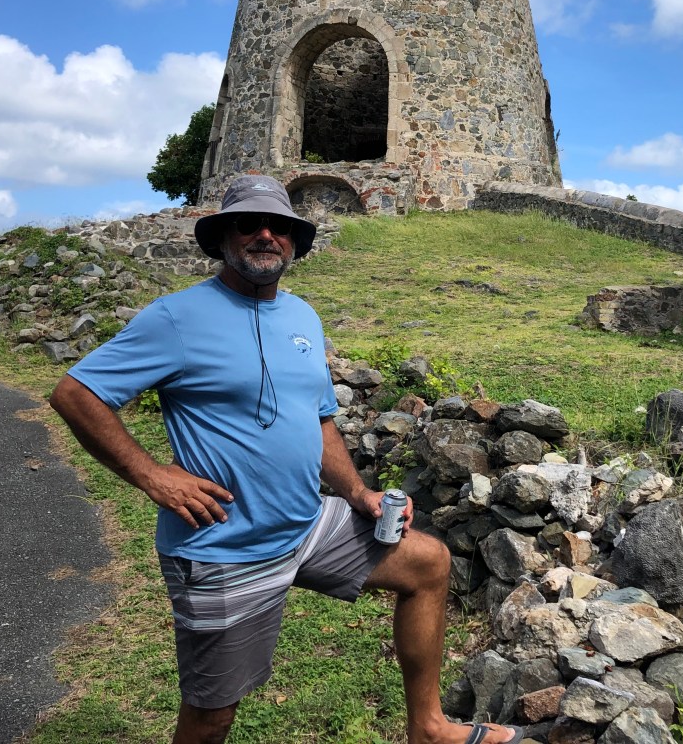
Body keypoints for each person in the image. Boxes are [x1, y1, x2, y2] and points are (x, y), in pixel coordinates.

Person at [50, 175, 523, 744]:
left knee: (426, 563)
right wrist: (152, 475)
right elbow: (76, 393)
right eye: (248, 224)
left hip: (305, 525)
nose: (266, 235)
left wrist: (356, 493)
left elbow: (320, 419)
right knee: (213, 712)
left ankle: (428, 727)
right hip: (224, 545)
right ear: (223, 238)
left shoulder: (302, 317)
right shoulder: (175, 318)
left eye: (281, 228)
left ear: (296, 244)